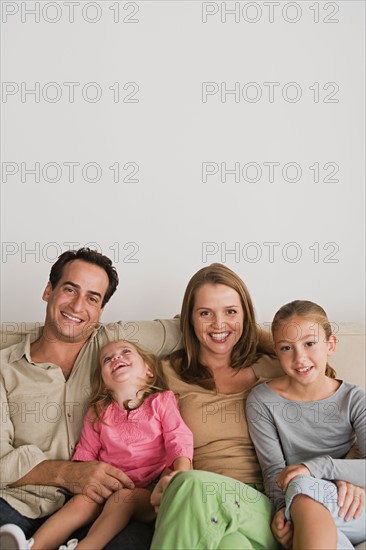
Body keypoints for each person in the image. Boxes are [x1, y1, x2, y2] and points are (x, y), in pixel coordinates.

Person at [149, 265, 364, 550]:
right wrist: (159, 482)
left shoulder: (277, 366)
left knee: (190, 486)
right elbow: (136, 426)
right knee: (229, 543)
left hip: (260, 501)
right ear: (188, 318)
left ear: (246, 316)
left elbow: (323, 387)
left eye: (231, 312)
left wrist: (343, 475)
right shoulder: (165, 372)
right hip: (200, 501)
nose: (218, 324)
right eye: (205, 313)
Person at [0, 248, 183, 550]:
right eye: (70, 289)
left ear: (100, 311)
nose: (77, 305)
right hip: (21, 503)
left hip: (107, 508)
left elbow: (198, 327)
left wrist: (273, 340)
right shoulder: (6, 368)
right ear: (49, 290)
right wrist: (68, 473)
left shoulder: (114, 347)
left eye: (92, 298)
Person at [1, 339, 193, 550]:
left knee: (122, 500)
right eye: (107, 359)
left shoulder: (161, 402)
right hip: (107, 485)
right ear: (104, 381)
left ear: (148, 370)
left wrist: (180, 475)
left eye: (125, 352)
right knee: (81, 503)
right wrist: (82, 485)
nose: (116, 358)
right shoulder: (99, 412)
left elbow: (179, 437)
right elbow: (86, 452)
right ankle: (32, 546)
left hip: (150, 490)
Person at [246, 300, 366, 550]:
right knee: (298, 485)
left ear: (330, 345)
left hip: (355, 505)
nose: (300, 358)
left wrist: (315, 469)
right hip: (300, 508)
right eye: (287, 348)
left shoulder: (354, 399)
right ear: (277, 352)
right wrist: (282, 511)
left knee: (300, 482)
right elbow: (273, 472)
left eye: (310, 344)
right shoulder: (262, 400)